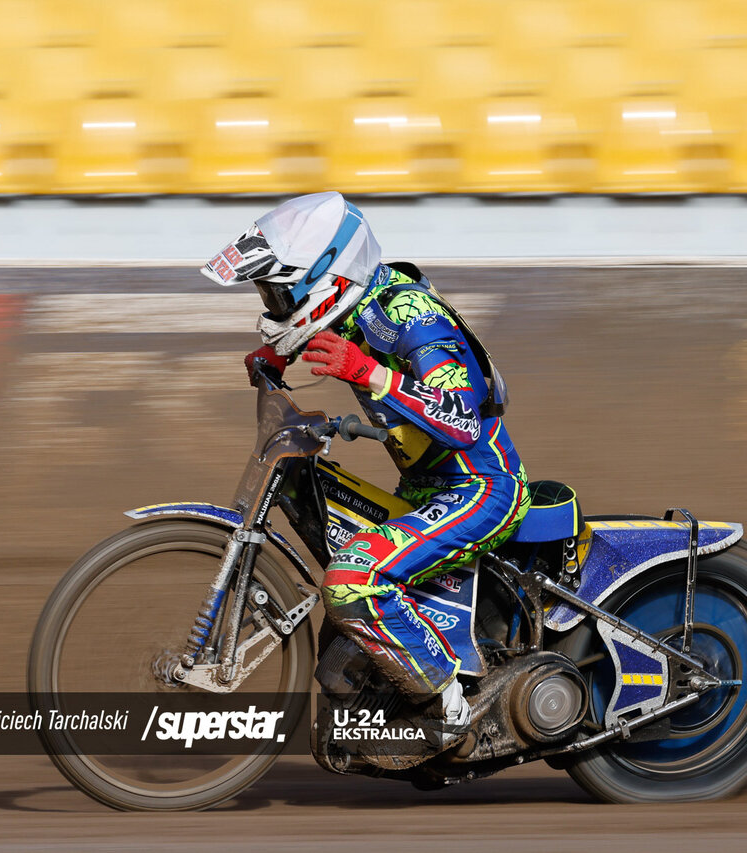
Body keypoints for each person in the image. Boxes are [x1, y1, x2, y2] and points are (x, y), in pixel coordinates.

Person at [200, 191, 529, 736]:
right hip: (425, 489)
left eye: (281, 293)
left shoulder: (412, 317)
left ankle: (450, 708)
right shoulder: (353, 304)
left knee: (352, 580)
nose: (274, 305)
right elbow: (325, 334)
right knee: (347, 589)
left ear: (328, 275)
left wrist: (369, 373)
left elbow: (461, 422)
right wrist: (277, 356)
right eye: (268, 294)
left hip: (482, 490)